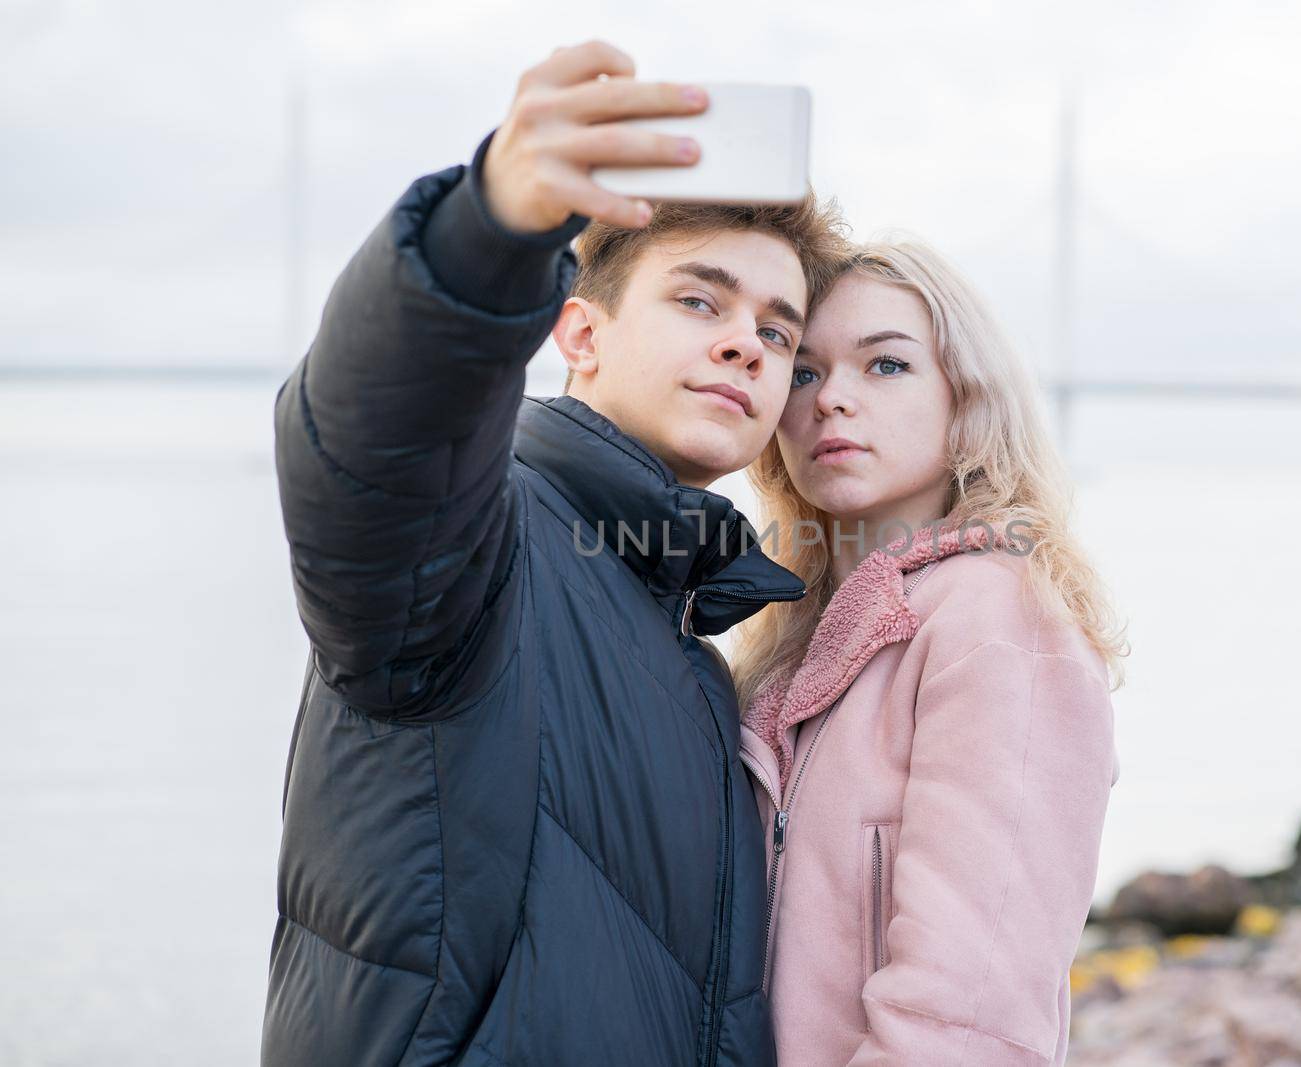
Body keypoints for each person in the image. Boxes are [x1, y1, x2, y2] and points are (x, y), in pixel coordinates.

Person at [264, 39, 851, 1065]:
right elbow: (376, 446)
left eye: (777, 334)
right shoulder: (482, 544)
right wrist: (484, 232)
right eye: (699, 300)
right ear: (577, 332)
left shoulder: (688, 634)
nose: (745, 346)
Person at [731, 237, 1127, 1065]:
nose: (832, 399)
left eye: (886, 366)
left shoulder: (1000, 622)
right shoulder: (793, 640)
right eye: (803, 371)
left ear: (968, 399)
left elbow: (969, 1016)